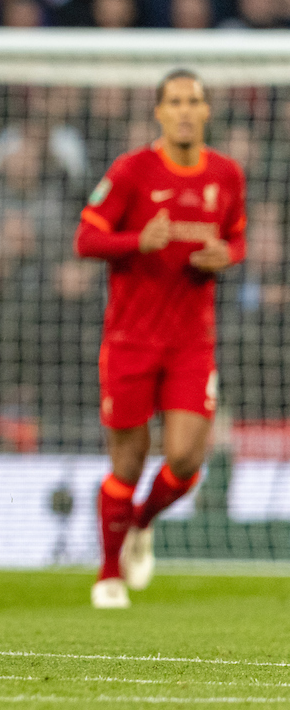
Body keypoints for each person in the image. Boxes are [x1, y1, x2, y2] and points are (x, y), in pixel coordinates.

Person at [75, 69, 246, 609]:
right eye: (175, 101)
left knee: (187, 459)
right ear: (159, 112)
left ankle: (141, 524)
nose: (185, 110)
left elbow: (237, 238)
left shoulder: (227, 174)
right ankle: (108, 575)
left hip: (192, 342)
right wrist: (136, 241)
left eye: (194, 100)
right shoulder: (132, 171)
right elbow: (86, 238)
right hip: (129, 339)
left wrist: (228, 256)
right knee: (127, 462)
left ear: (207, 111)